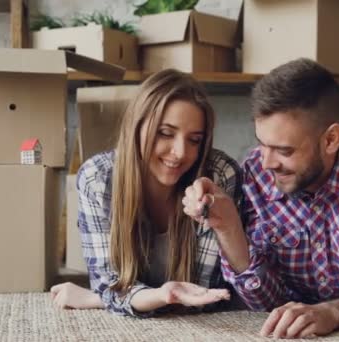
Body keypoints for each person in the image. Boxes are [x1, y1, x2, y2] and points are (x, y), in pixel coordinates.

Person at [183, 58, 339, 338]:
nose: (266, 163)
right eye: (262, 144)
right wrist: (228, 229)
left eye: (284, 151)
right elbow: (265, 302)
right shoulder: (256, 173)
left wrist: (332, 313)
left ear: (331, 140)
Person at [50, 69, 242, 317]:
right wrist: (162, 295)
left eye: (194, 140)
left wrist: (96, 299)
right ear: (136, 127)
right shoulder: (97, 178)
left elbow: (208, 294)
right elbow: (111, 284)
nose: (181, 152)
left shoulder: (219, 175)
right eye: (165, 133)